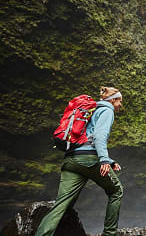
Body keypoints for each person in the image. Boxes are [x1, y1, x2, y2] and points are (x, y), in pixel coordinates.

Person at [36, 86, 124, 236]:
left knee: (61, 204)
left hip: (71, 161)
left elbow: (85, 138)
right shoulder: (107, 110)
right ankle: (109, 234)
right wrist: (103, 160)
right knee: (116, 191)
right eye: (120, 101)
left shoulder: (89, 110)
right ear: (113, 100)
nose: (121, 105)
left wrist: (109, 161)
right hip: (89, 160)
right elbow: (99, 136)